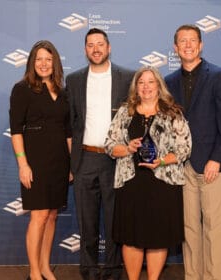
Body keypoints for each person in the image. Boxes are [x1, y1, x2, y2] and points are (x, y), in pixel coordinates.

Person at [104, 66, 192, 280]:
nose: (146, 87)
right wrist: (127, 149)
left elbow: (184, 148)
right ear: (136, 87)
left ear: (159, 86)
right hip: (131, 183)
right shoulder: (126, 112)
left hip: (162, 183)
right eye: (141, 82)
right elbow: (109, 144)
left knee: (158, 237)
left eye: (151, 82)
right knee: (130, 237)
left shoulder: (172, 113)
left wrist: (160, 161)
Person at [165, 24, 221, 280]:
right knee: (189, 227)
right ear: (175, 47)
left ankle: (214, 277)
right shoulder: (169, 81)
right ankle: (193, 276)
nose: (188, 45)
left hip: (211, 165)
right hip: (182, 165)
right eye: (182, 41)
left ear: (201, 45)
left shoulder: (218, 75)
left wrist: (216, 158)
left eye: (192, 40)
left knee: (213, 227)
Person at [65, 28, 134, 280]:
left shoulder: (128, 78)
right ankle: (90, 271)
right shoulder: (73, 81)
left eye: (100, 44)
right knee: (87, 222)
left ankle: (114, 271)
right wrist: (72, 162)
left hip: (116, 159)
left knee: (115, 220)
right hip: (84, 159)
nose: (95, 49)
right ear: (85, 50)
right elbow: (70, 124)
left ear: (109, 47)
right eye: (90, 44)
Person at [9, 40, 72, 280]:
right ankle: (34, 273)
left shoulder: (62, 91)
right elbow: (16, 130)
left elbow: (68, 132)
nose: (44, 64)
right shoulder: (22, 89)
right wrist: (23, 164)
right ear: (31, 63)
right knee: (39, 215)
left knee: (52, 215)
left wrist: (71, 163)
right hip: (35, 161)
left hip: (59, 161)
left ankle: (45, 267)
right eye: (39, 59)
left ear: (55, 62)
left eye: (48, 59)